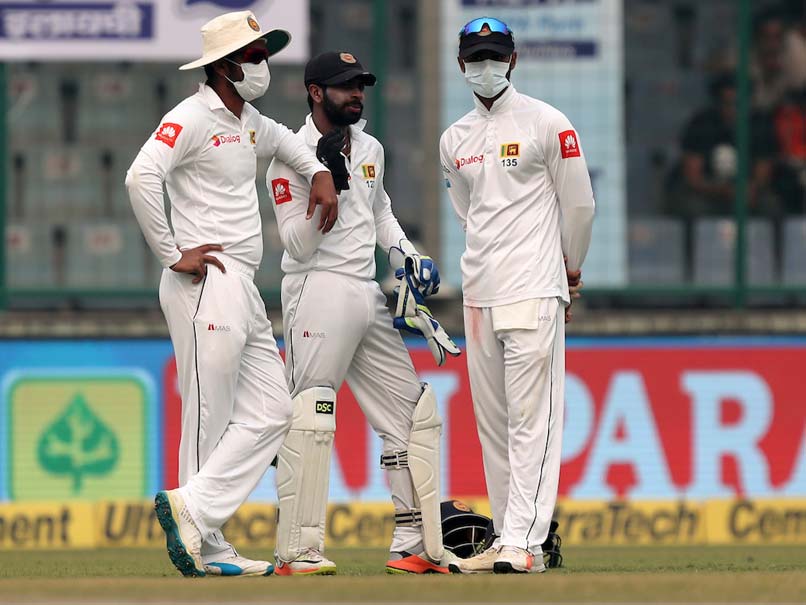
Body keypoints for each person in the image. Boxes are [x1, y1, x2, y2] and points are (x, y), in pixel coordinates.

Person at [125, 11, 338, 577]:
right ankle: (206, 542)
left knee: (271, 410)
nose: (263, 66)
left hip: (241, 284)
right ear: (222, 65)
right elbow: (140, 177)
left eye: (264, 55)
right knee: (208, 415)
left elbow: (293, 148)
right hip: (203, 279)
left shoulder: (252, 123)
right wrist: (173, 252)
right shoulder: (190, 116)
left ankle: (195, 513)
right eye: (253, 56)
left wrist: (318, 171)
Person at [266, 51, 454, 575]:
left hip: (366, 291)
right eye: (346, 86)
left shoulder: (371, 146)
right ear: (315, 91)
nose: (357, 94)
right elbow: (298, 246)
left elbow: (381, 214)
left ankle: (413, 540)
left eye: (361, 86)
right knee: (310, 418)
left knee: (412, 414)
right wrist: (328, 177)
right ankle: (298, 550)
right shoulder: (290, 155)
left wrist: (409, 254)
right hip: (315, 288)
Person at [439, 17, 595, 574]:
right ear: (461, 64)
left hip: (533, 287)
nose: (485, 66)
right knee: (496, 425)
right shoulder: (453, 138)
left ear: (513, 59)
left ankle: (525, 544)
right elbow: (468, 212)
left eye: (494, 55)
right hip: (479, 292)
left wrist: (569, 270)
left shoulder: (547, 122)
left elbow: (579, 205)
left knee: (534, 419)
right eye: (476, 57)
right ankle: (508, 538)